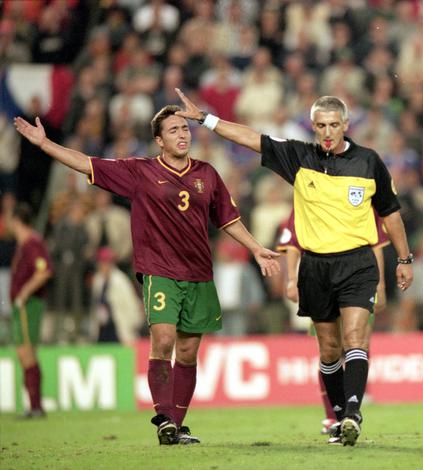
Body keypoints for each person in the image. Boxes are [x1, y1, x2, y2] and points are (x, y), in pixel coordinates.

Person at [14, 108, 280, 445]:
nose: (183, 134)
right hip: (160, 271)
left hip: (199, 273)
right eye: (173, 130)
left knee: (186, 352)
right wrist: (44, 144)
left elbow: (228, 219)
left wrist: (256, 248)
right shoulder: (140, 171)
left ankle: (177, 427)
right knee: (164, 339)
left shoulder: (208, 174)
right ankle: (164, 419)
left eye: (185, 128)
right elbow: (86, 163)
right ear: (159, 140)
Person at [175, 88, 413, 446]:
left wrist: (405, 258)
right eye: (321, 126)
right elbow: (252, 138)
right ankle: (338, 417)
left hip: (357, 263)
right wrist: (206, 119)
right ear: (313, 127)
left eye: (334, 125)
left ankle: (352, 413)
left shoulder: (369, 161)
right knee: (329, 350)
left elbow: (391, 213)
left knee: (353, 338)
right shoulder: (298, 157)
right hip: (316, 266)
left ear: (346, 124)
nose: (328, 132)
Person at [276, 208, 390, 442]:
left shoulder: (359, 196)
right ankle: (332, 415)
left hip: (357, 275)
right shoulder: (307, 196)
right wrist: (291, 280)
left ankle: (352, 407)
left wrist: (380, 285)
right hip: (319, 277)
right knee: (330, 349)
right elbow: (293, 243)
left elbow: (376, 243)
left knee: (357, 342)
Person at [9, 202, 53, 418]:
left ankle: (36, 407)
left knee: (26, 352)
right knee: (24, 353)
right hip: (23, 306)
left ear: (16, 220)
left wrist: (24, 293)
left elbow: (44, 272)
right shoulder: (25, 243)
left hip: (29, 305)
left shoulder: (32, 243)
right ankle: (34, 406)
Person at [88, 246, 144, 345]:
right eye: (101, 262)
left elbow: (132, 305)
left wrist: (131, 327)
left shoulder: (120, 281)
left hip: (119, 330)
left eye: (106, 262)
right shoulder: (98, 280)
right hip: (103, 329)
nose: (103, 265)